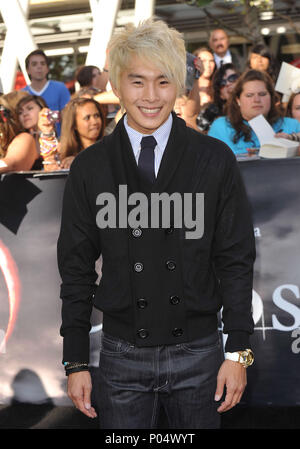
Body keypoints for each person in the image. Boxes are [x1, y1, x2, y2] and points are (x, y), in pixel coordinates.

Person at [57, 19, 256, 429]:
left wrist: (237, 351)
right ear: (116, 83)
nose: (151, 97)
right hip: (120, 357)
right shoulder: (92, 168)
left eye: (163, 82)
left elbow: (235, 259)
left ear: (180, 86)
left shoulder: (213, 159)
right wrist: (75, 358)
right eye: (137, 82)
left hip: (200, 355)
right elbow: (75, 268)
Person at [208, 69, 300, 155]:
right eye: (249, 95)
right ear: (238, 100)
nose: (256, 100)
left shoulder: (291, 125)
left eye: (262, 94)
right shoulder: (221, 127)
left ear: (271, 97)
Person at [23, 49, 71, 135]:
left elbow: (68, 115)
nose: (39, 67)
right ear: (27, 70)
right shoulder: (22, 94)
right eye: (34, 64)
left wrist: (44, 117)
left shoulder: (60, 88)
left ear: (47, 68)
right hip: (32, 143)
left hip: (58, 141)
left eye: (43, 63)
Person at [59, 97, 106, 168]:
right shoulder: (65, 156)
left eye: (96, 116)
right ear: (74, 124)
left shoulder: (111, 147)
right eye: (87, 118)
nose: (94, 122)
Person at [0, 94, 38, 174]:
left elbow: (9, 164)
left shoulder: (24, 138)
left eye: (29, 108)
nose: (25, 114)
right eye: (20, 112)